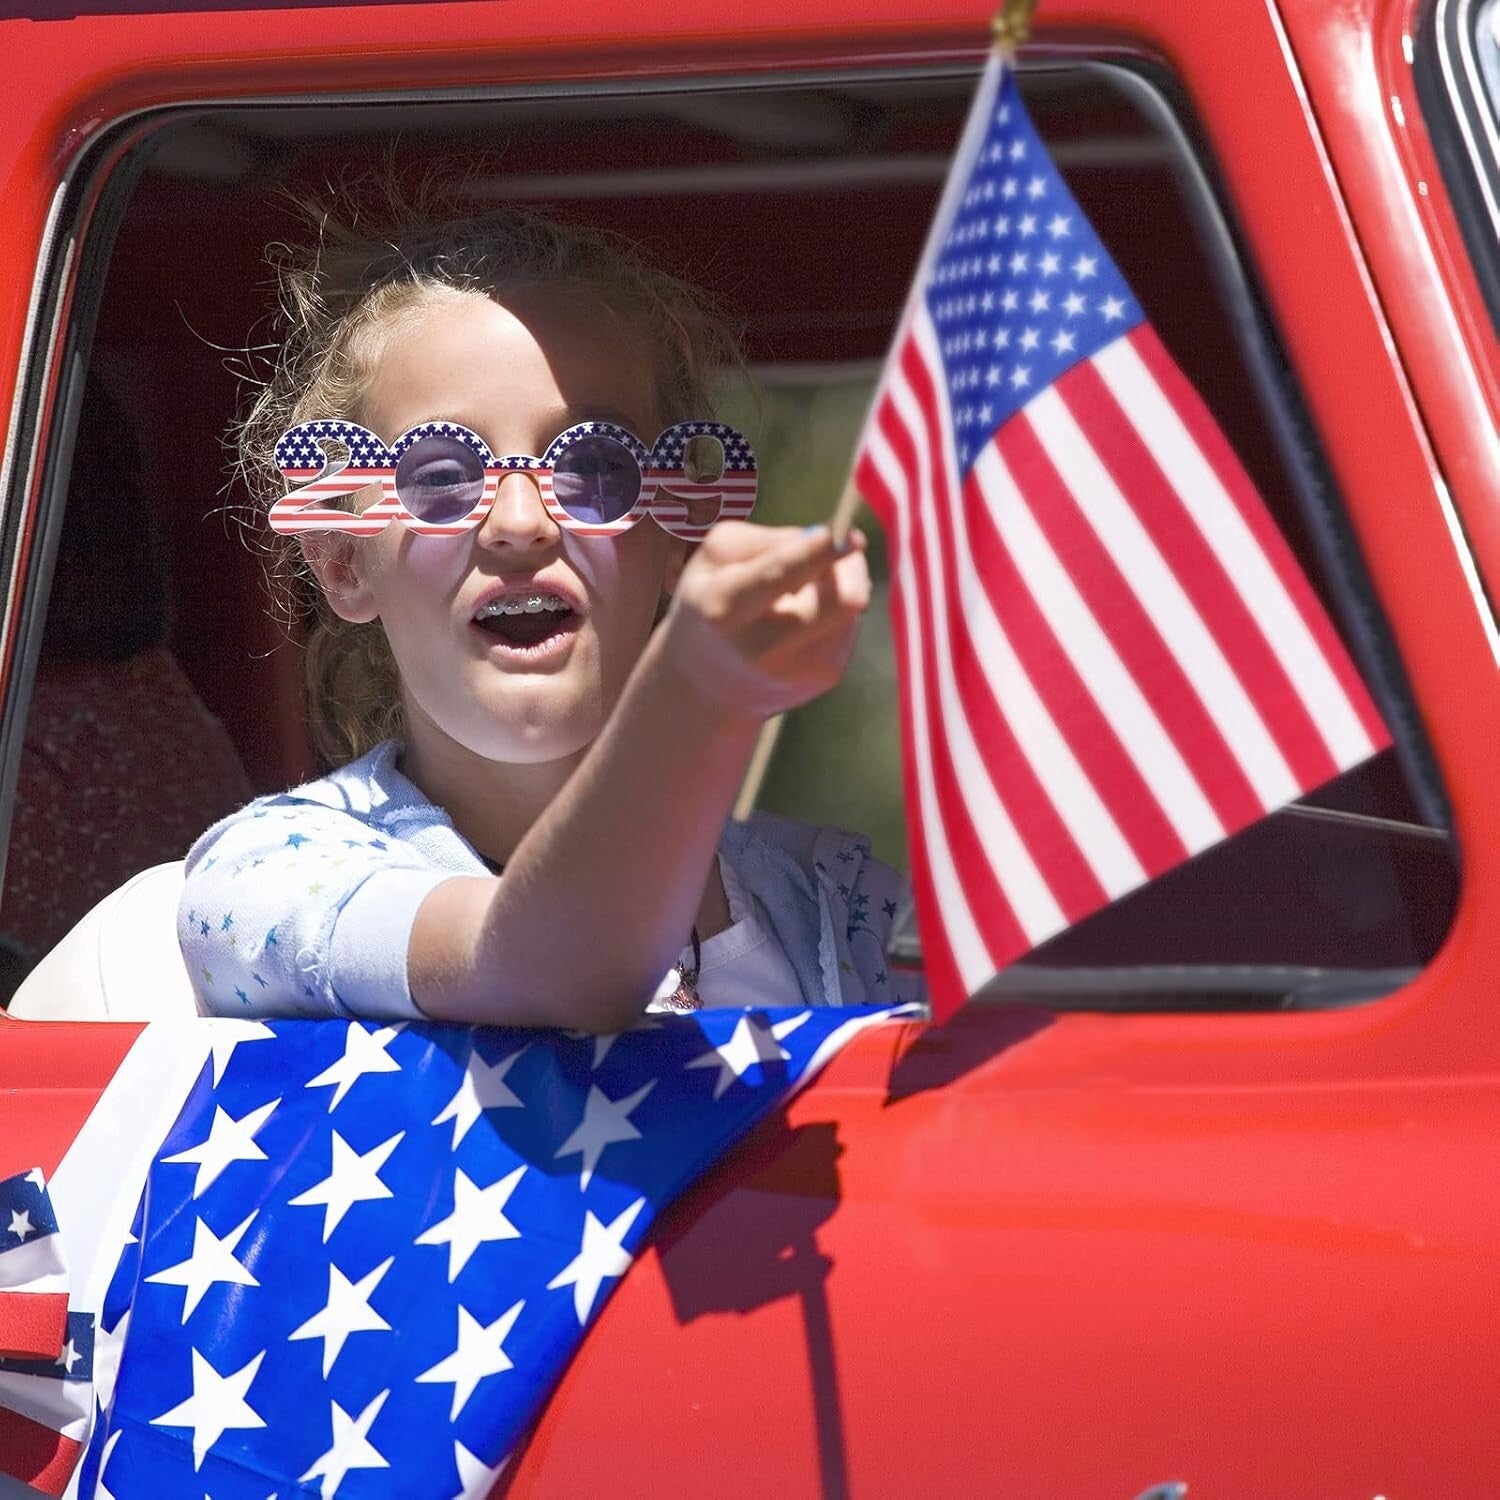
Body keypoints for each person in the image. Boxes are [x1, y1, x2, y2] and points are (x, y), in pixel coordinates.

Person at [178, 184, 923, 1028]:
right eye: (440, 478)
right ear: (344, 562)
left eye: (596, 469)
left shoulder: (832, 896)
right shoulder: (274, 870)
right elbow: (539, 969)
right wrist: (691, 701)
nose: (522, 524)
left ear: (678, 533)